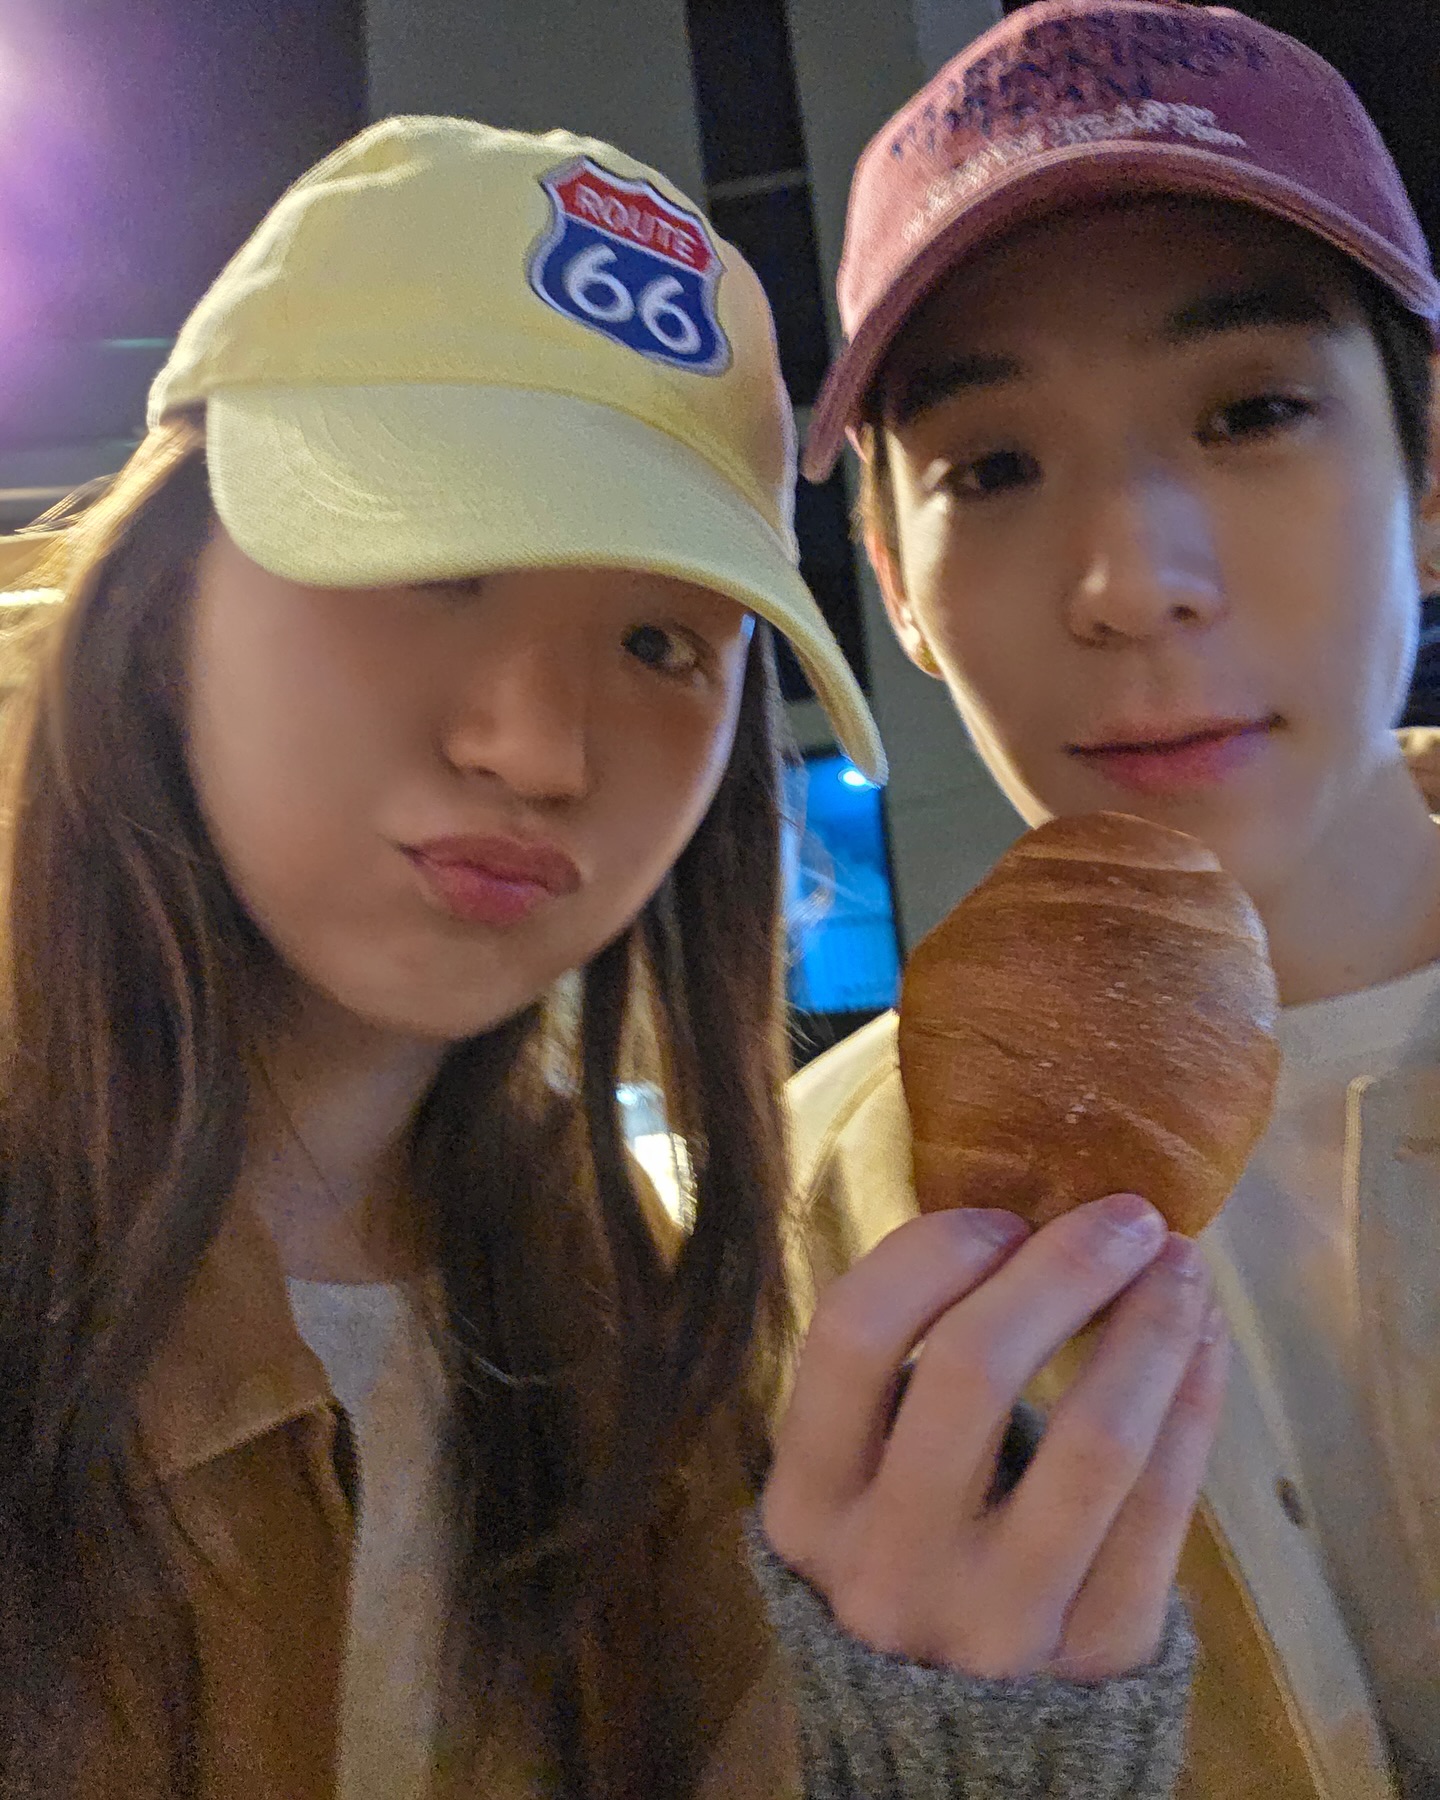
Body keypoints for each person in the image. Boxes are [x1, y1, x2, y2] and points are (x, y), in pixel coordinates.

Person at [0, 114, 1216, 1800]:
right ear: (162, 599)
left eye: (660, 640)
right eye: (431, 564)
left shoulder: (643, 1326)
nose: (541, 746)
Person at [788, 1, 1440, 1793]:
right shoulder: (801, 1244)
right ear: (896, 584)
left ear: (1429, 476)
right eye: (993, 468)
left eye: (1252, 413)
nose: (1131, 582)